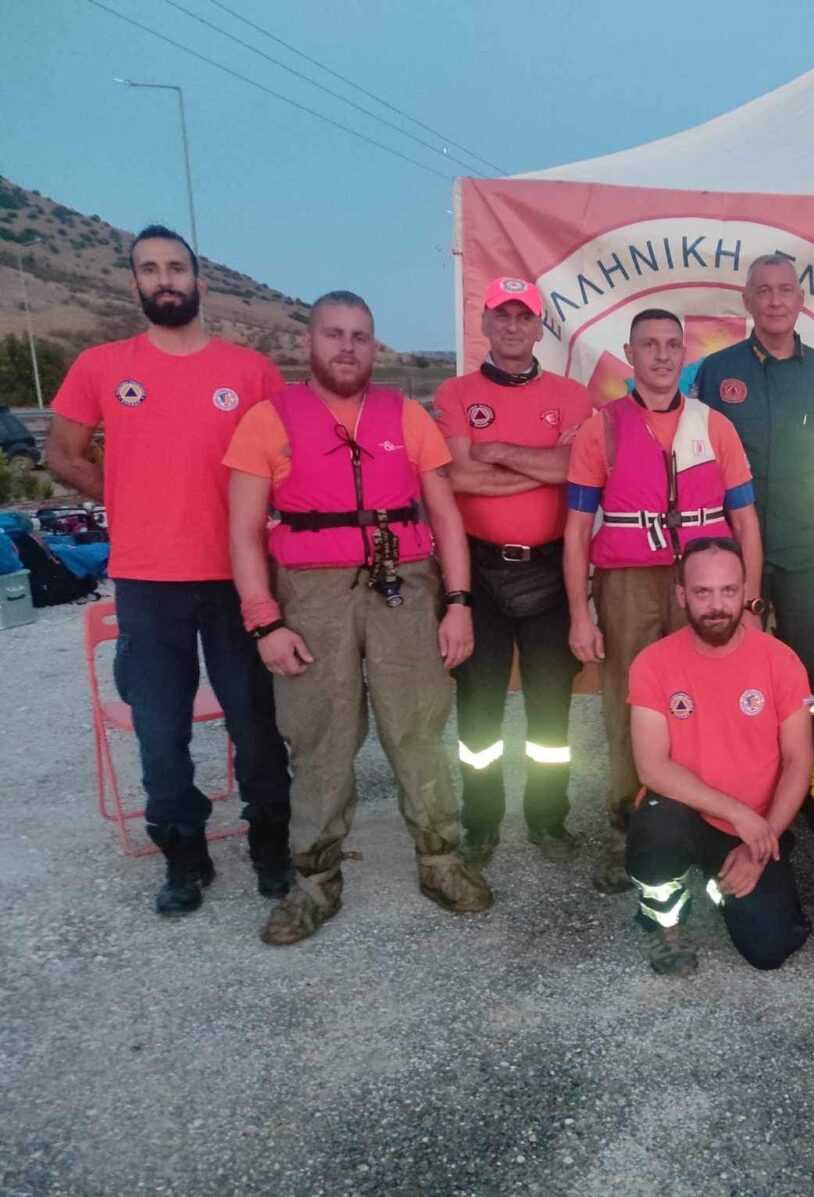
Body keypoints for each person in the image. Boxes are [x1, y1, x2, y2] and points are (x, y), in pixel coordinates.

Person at [226, 290, 492, 945]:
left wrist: (459, 603)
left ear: (374, 346)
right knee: (319, 739)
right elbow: (243, 531)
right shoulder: (267, 420)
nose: (347, 347)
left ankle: (440, 860)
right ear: (308, 342)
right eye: (334, 334)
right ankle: (315, 881)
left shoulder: (407, 416)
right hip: (310, 596)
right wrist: (265, 621)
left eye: (360, 336)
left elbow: (446, 515)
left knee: (418, 729)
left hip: (405, 586)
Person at [47, 224, 292, 916]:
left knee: (255, 721)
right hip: (148, 582)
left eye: (177, 268)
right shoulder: (101, 365)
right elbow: (62, 453)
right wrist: (121, 493)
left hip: (238, 576)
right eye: (151, 269)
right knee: (160, 731)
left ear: (199, 282)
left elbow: (286, 461)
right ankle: (184, 854)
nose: (165, 280)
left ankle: (271, 842)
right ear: (135, 284)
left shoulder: (250, 371)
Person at [564, 309, 762, 893]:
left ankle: (712, 821)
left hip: (705, 582)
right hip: (627, 583)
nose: (661, 354)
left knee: (711, 700)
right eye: (648, 344)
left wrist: (750, 601)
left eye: (672, 344)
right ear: (630, 354)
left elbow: (746, 521)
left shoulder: (715, 426)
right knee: (629, 702)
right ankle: (627, 827)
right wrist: (579, 614)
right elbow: (576, 530)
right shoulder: (602, 428)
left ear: (684, 354)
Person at [694, 255, 814, 831]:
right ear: (747, 301)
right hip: (732, 553)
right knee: (733, 667)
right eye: (762, 291)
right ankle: (742, 779)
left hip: (810, 550)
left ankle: (813, 775)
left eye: (785, 290)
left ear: (799, 300)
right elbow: (699, 464)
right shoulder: (717, 371)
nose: (774, 301)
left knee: (813, 671)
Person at [435, 277, 593, 868]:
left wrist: (497, 451)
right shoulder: (456, 393)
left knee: (551, 712)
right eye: (501, 315)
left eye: (523, 316)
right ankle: (481, 823)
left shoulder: (571, 396)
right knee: (479, 711)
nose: (511, 326)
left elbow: (576, 468)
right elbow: (458, 475)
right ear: (484, 323)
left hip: (552, 570)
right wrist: (543, 466)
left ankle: (548, 820)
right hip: (478, 572)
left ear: (538, 326)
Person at [624, 538, 814, 976]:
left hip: (756, 825)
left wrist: (760, 843)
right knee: (655, 827)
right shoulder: (652, 663)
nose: (716, 606)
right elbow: (651, 767)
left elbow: (798, 762)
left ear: (745, 590)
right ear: (681, 595)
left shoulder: (781, 660)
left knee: (770, 950)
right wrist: (738, 814)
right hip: (684, 814)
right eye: (702, 592)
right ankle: (665, 919)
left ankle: (723, 881)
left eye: (728, 591)